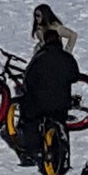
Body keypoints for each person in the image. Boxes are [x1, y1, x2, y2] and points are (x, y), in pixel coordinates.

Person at [16, 28, 79, 163]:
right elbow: (75, 76)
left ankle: (31, 151)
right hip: (62, 102)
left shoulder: (39, 57)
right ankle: (61, 156)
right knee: (61, 123)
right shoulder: (67, 57)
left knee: (30, 118)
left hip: (39, 103)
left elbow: (28, 79)